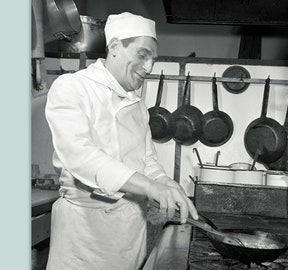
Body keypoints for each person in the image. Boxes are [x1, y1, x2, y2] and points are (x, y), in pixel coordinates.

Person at [44, 12, 198, 270]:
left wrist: (166, 184)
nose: (149, 68)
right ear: (115, 47)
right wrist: (151, 188)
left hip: (128, 231)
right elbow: (81, 157)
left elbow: (147, 161)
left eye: (153, 60)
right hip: (84, 233)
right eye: (142, 55)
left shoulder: (137, 105)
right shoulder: (72, 87)